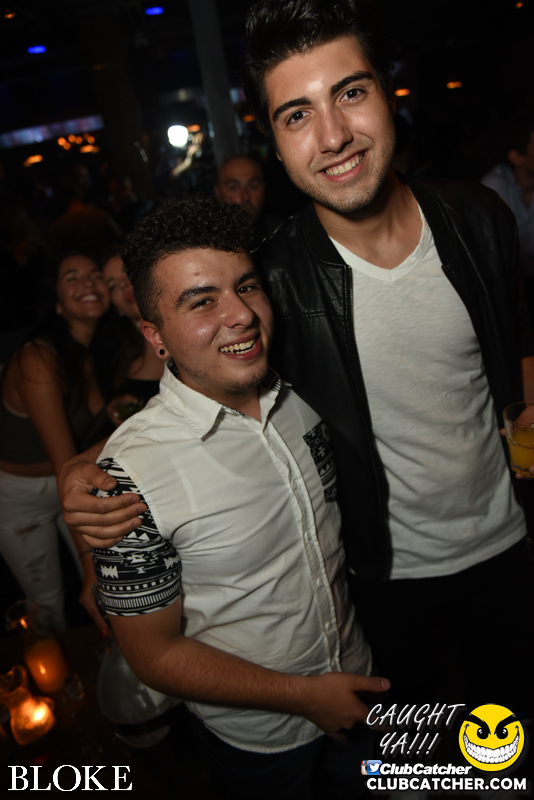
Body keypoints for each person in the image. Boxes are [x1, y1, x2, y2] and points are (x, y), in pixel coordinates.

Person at [59, 0, 533, 716]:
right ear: (275, 143)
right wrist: (82, 467)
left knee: (510, 736)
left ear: (388, 94)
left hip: (512, 540)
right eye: (297, 114)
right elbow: (202, 383)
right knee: (409, 751)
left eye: (351, 92)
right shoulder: (272, 280)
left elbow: (515, 345)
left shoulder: (479, 219)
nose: (333, 135)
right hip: (382, 577)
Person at [87, 195, 387, 799]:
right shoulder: (128, 477)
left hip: (360, 681)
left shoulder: (303, 393)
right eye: (202, 301)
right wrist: (306, 697)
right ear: (155, 336)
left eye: (246, 287)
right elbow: (153, 656)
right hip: (260, 740)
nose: (242, 314)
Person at [0, 253, 112, 633]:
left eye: (95, 275)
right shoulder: (38, 360)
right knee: (48, 603)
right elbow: (67, 465)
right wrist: (88, 562)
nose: (88, 283)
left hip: (69, 478)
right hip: (20, 497)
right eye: (72, 278)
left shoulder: (101, 350)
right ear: (58, 303)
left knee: (108, 577)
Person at [102, 249, 164, 411]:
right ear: (117, 308)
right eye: (113, 286)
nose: (123, 284)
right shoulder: (115, 360)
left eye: (128, 273)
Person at [214, 155, 282, 246]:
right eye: (233, 187)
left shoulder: (285, 234)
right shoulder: (206, 242)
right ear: (217, 192)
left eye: (253, 186)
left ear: (264, 188)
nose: (245, 196)